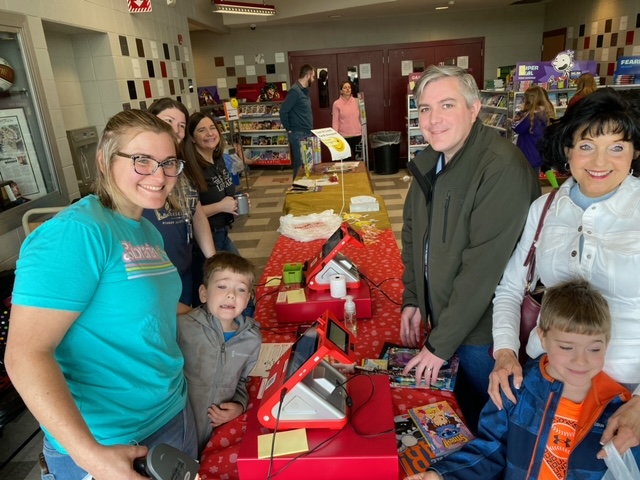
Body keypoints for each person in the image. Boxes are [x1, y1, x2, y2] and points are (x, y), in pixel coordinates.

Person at [5, 110, 196, 479]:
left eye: (169, 162)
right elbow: (25, 355)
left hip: (171, 413)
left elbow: (149, 305)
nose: (160, 176)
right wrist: (91, 456)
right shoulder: (75, 233)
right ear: (105, 160)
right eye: (142, 161)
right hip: (112, 442)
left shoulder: (146, 229)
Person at [490, 87, 640, 458]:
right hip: (545, 379)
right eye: (587, 145)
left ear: (634, 152)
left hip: (624, 395)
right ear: (567, 149)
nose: (600, 161)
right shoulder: (545, 208)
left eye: (617, 146)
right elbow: (510, 288)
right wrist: (505, 353)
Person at [400, 65, 540, 432]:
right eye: (425, 109)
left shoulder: (500, 167)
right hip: (444, 322)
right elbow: (413, 233)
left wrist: (440, 343)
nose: (433, 120)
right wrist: (414, 298)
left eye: (447, 105)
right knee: (460, 422)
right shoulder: (434, 160)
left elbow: (482, 270)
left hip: (481, 336)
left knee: (490, 428)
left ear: (474, 109)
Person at [406, 279, 640, 480]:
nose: (580, 361)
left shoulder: (619, 410)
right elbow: (490, 449)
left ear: (607, 344)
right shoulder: (515, 389)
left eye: (594, 349)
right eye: (567, 347)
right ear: (543, 338)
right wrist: (442, 474)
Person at [178, 252, 261, 454]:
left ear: (248, 298)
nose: (231, 295)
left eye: (240, 289)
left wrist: (239, 406)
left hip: (217, 432)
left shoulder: (252, 339)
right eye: (222, 286)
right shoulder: (182, 327)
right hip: (180, 428)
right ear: (203, 293)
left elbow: (243, 381)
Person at [143, 98, 216, 314]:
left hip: (182, 267)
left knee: (182, 331)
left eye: (181, 125)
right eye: (168, 121)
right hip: (152, 276)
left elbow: (197, 214)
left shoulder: (182, 168)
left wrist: (213, 261)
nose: (175, 130)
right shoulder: (140, 173)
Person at [184, 112, 239, 297]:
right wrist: (221, 207)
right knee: (222, 288)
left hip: (223, 233)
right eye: (201, 130)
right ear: (192, 137)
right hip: (206, 241)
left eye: (212, 128)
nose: (209, 133)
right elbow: (189, 212)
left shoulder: (218, 160)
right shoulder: (191, 169)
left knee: (239, 280)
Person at [280, 64, 316, 179]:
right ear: (308, 75)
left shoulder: (304, 91)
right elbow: (283, 111)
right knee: (300, 164)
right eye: (313, 76)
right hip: (298, 133)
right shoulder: (295, 91)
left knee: (307, 164)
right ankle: (296, 188)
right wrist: (289, 130)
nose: (314, 80)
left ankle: (304, 187)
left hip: (306, 132)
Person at [512, 85, 555, 175]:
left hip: (528, 154)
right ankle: (554, 186)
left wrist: (521, 112)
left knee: (528, 178)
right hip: (539, 153)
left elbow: (516, 127)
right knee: (536, 176)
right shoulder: (547, 113)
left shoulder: (530, 116)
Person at [332, 80, 362, 159]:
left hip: (357, 135)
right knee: (346, 161)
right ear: (341, 91)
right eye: (345, 88)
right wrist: (335, 137)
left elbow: (362, 118)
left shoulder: (357, 101)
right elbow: (335, 121)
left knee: (360, 160)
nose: (348, 89)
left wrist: (364, 133)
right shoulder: (336, 104)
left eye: (349, 87)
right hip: (344, 137)